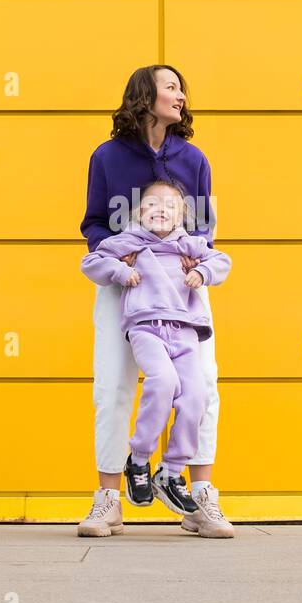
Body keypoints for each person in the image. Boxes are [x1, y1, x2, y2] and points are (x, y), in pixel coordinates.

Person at [77, 65, 235, 539]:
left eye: (182, 87)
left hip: (182, 287)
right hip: (124, 283)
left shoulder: (193, 158)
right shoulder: (106, 157)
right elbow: (93, 224)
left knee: (203, 385)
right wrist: (119, 251)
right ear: (144, 96)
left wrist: (196, 265)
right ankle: (108, 500)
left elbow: (205, 227)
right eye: (171, 87)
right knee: (113, 387)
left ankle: (199, 498)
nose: (181, 95)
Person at [80, 180, 232, 519]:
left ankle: (170, 470)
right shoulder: (127, 242)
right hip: (146, 327)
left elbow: (222, 261)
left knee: (197, 396)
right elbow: (91, 262)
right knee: (163, 382)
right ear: (138, 213)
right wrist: (120, 270)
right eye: (152, 204)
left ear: (181, 216)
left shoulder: (190, 245)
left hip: (187, 331)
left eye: (170, 206)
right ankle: (138, 461)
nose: (161, 210)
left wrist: (203, 272)